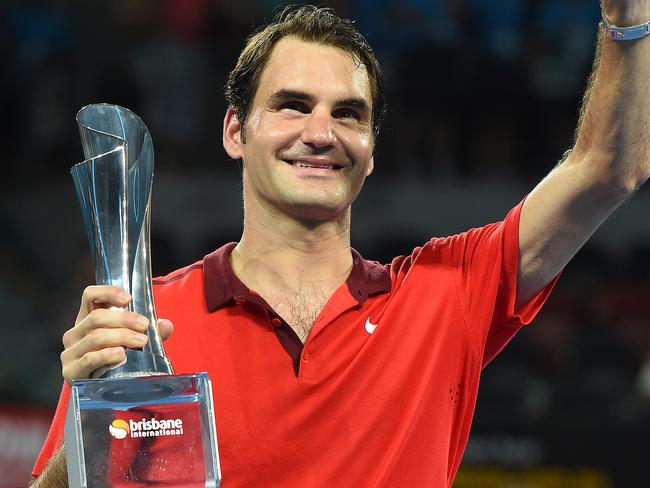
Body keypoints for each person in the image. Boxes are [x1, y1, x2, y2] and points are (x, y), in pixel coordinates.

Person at [31, 3, 650, 487]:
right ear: (235, 130)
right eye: (292, 106)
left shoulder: (445, 294)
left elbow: (609, 168)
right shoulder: (144, 322)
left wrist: (627, 18)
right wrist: (88, 438)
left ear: (371, 150)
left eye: (349, 114)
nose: (321, 132)